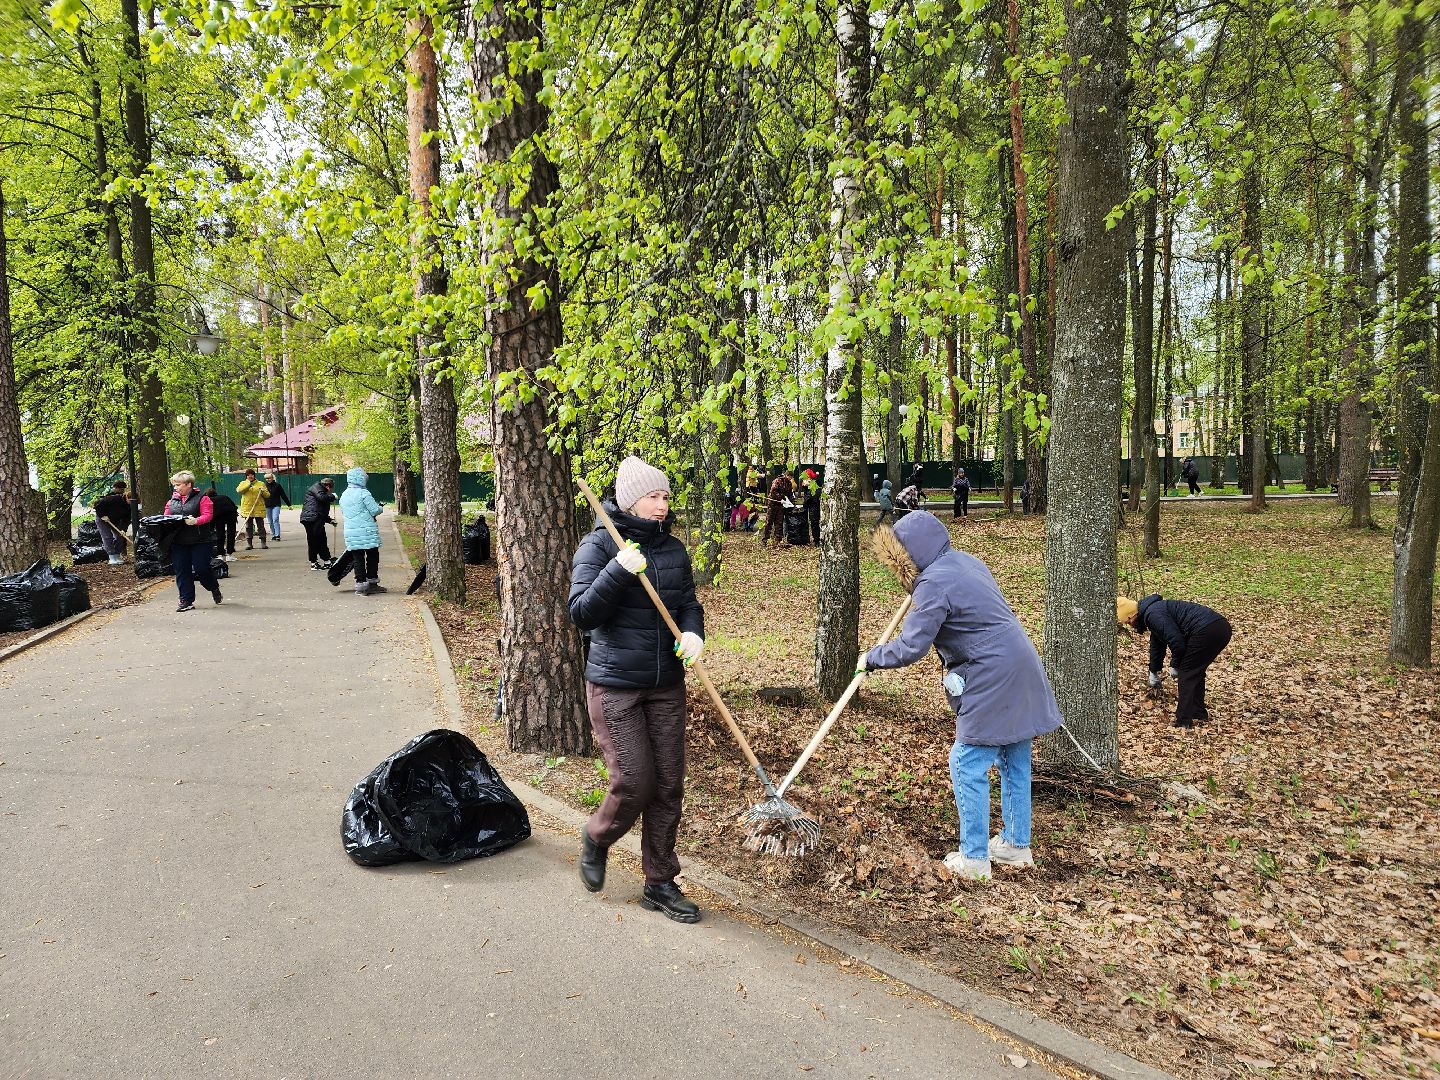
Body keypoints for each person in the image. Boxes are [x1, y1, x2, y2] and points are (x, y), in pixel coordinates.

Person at [859, 512, 1061, 880]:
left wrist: (871, 657)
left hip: (992, 673)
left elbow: (911, 646)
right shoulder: (966, 562)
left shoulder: (933, 584)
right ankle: (1016, 846)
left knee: (966, 762)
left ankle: (974, 859)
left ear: (906, 556)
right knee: (1014, 757)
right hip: (1021, 662)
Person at [569, 456, 705, 923]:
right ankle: (598, 837)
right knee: (634, 781)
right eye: (653, 496)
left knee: (668, 786)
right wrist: (617, 570)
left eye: (665, 496)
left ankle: (660, 882)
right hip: (615, 685)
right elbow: (581, 613)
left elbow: (688, 603)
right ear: (630, 501)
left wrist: (693, 634)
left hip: (666, 683)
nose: (662, 504)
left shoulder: (673, 550)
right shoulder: (599, 545)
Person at [1118, 594, 1232, 729]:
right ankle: (1198, 712)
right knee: (1194, 671)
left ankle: (1183, 721)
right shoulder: (1152, 612)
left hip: (1207, 629)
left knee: (1187, 673)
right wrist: (1154, 670)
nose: (1131, 626)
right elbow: (1157, 645)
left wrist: (1175, 665)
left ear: (1132, 616)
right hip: (1219, 627)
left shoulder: (1153, 615)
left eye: (1128, 622)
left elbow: (1177, 641)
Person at [164, 471, 222, 613]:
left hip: (200, 540)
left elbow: (208, 515)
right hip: (178, 541)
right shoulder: (172, 501)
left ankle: (213, 587)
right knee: (182, 570)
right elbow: (166, 517)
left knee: (202, 569)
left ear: (188, 484)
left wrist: (196, 521)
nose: (175, 488)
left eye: (178, 485)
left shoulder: (203, 498)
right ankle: (186, 600)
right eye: (174, 485)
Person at [338, 467, 385, 594]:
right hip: (367, 531)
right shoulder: (364, 493)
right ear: (361, 479)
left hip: (351, 532)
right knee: (372, 556)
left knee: (357, 558)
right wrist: (381, 507)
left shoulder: (344, 494)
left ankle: (360, 585)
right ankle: (372, 582)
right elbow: (374, 510)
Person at [300, 476, 338, 569]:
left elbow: (319, 509)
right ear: (328, 486)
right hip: (312, 519)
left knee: (320, 540)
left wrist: (329, 520)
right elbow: (322, 498)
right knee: (315, 541)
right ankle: (314, 563)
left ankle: (326, 561)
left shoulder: (319, 489)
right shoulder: (317, 488)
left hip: (314, 518)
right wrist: (333, 496)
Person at [92, 480, 133, 565]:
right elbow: (98, 505)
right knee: (107, 537)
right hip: (103, 519)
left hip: (115, 520)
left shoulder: (129, 506)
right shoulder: (114, 498)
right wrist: (102, 515)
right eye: (131, 501)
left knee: (120, 537)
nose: (131, 503)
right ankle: (112, 557)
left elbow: (126, 519)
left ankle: (117, 555)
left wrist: (123, 529)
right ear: (127, 498)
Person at [236, 468, 269, 549]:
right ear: (246, 476)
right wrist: (248, 485)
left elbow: (267, 495)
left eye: (251, 475)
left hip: (258, 508)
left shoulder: (261, 484)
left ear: (254, 475)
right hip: (247, 509)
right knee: (248, 527)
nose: (250, 476)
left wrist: (263, 491)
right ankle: (249, 544)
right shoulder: (243, 483)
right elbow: (239, 491)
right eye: (248, 475)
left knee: (260, 526)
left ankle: (263, 543)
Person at [760, 471, 794, 547]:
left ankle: (778, 541)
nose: (790, 478)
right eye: (789, 476)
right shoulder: (778, 481)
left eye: (791, 477)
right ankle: (764, 540)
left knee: (779, 523)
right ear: (786, 475)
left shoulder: (789, 483)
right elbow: (773, 491)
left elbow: (790, 494)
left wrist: (790, 502)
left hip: (781, 505)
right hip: (773, 504)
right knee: (769, 522)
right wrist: (780, 498)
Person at [205, 485, 239, 560]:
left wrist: (211, 528)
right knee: (231, 534)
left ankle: (220, 554)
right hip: (231, 515)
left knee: (220, 534)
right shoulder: (224, 497)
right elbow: (234, 506)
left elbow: (210, 514)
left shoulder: (209, 500)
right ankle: (230, 554)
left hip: (219, 517)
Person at [263, 471, 291, 540]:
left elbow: (283, 495)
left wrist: (289, 505)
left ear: (272, 478)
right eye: (266, 478)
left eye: (269, 478)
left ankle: (277, 535)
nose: (268, 479)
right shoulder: (264, 486)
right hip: (267, 505)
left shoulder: (277, 485)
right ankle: (273, 535)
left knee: (275, 519)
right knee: (270, 521)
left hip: (276, 505)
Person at [800, 469, 821, 545]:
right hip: (813, 506)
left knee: (814, 523)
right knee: (813, 523)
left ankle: (816, 540)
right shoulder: (811, 484)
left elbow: (810, 497)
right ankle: (814, 539)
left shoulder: (813, 485)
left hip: (814, 507)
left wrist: (804, 504)